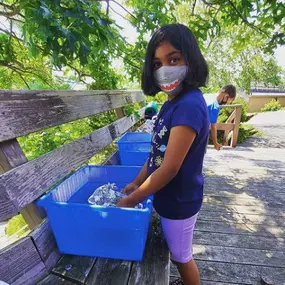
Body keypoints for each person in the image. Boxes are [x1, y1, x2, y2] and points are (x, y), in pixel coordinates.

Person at [117, 24, 209, 285]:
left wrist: (131, 200)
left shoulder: (189, 105)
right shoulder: (171, 103)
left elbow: (168, 168)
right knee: (176, 249)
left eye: (174, 59)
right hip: (167, 198)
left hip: (179, 202)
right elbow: (156, 155)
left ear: (191, 58)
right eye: (157, 63)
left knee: (182, 256)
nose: (165, 69)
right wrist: (136, 182)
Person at [204, 85, 236, 151]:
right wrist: (215, 143)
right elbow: (213, 127)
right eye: (228, 101)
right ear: (226, 96)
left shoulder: (207, 95)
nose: (226, 103)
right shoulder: (215, 106)